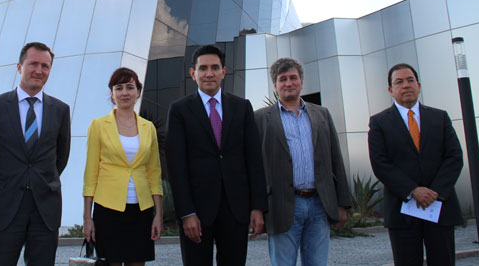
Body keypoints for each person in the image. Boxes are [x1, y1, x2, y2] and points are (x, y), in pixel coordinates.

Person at [166, 44, 267, 266]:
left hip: (236, 208)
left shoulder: (242, 107)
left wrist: (258, 207)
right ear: (193, 74)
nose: (209, 73)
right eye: (203, 68)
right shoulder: (179, 110)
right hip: (196, 211)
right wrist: (186, 213)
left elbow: (254, 160)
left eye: (214, 67)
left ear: (224, 71)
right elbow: (176, 166)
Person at [0, 42, 71, 266]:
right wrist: (3, 183)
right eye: (33, 64)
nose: (39, 71)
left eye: (45, 66)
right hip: (3, 207)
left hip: (44, 210)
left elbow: (61, 157)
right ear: (19, 67)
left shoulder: (60, 110)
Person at [254, 57, 351, 266]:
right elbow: (254, 167)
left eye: (293, 78)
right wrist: (256, 208)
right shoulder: (260, 119)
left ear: (301, 82)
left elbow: (336, 159)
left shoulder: (321, 114)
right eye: (283, 79)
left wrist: (342, 203)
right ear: (275, 86)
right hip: (281, 206)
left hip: (319, 205)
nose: (288, 83)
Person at [369, 63, 463, 266]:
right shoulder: (379, 123)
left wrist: (435, 192)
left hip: (439, 208)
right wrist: (413, 190)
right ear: (390, 89)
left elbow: (454, 157)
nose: (406, 85)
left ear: (418, 85)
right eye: (399, 82)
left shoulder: (440, 117)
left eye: (410, 80)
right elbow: (380, 163)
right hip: (403, 211)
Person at [82, 67, 163, 266]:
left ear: (138, 91)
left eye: (130, 87)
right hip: (108, 208)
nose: (124, 93)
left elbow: (154, 173)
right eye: (119, 88)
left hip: (141, 210)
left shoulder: (149, 128)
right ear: (112, 93)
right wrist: (87, 217)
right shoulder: (98, 125)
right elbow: (90, 173)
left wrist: (159, 215)